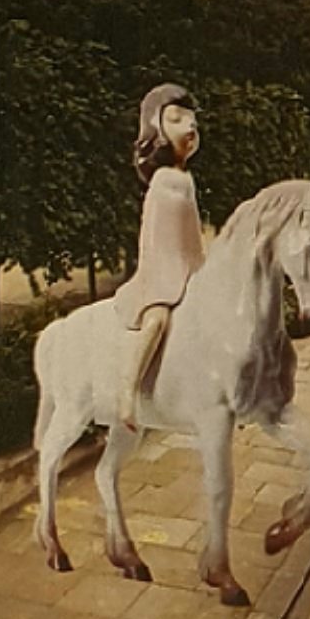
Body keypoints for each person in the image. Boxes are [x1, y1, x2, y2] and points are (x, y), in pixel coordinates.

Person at [109, 85, 204, 430]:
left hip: (187, 269)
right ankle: (126, 390)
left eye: (193, 121)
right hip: (160, 273)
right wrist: (169, 276)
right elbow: (155, 238)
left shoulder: (185, 178)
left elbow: (192, 236)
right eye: (176, 119)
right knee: (158, 320)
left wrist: (201, 270)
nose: (189, 127)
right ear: (156, 129)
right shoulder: (164, 180)